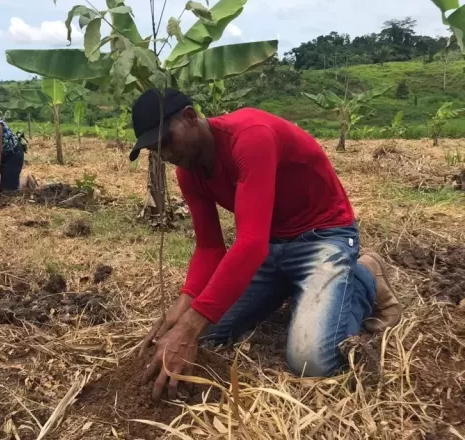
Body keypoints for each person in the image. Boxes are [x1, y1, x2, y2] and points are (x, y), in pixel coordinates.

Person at [129, 88, 402, 401]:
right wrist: (183, 306)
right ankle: (296, 287)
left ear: (190, 117)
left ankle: (364, 277)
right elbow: (209, 248)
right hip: (270, 247)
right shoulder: (189, 173)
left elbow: (250, 243)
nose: (164, 155)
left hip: (323, 237)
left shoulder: (250, 136)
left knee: (313, 362)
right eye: (155, 149)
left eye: (166, 142)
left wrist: (190, 325)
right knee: (208, 336)